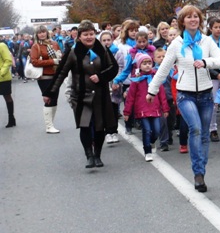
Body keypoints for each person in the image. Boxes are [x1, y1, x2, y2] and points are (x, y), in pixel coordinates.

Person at [147, 5, 220, 192]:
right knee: (196, 129)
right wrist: (152, 90)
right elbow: (164, 69)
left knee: (205, 134)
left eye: (196, 16)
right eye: (189, 17)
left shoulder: (206, 41)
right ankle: (197, 173)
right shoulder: (176, 44)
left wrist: (206, 62)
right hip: (185, 94)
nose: (193, 20)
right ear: (182, 21)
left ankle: (201, 170)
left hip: (206, 94)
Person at [46, 20, 119, 168]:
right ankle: (89, 155)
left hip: (100, 96)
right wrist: (50, 93)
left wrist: (101, 76)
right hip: (80, 96)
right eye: (85, 34)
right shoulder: (73, 52)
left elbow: (114, 67)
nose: (89, 37)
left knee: (99, 126)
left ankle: (97, 155)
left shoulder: (102, 50)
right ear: (79, 36)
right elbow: (61, 73)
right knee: (85, 125)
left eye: (91, 34)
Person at [124, 53, 169, 162]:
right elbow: (131, 97)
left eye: (149, 63)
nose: (147, 65)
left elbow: (162, 94)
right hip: (142, 109)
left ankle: (152, 142)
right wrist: (127, 112)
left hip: (155, 108)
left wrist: (165, 108)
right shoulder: (136, 79)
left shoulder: (156, 77)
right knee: (147, 130)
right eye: (144, 64)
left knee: (157, 130)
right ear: (139, 65)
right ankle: (147, 151)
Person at [29, 25, 63, 134]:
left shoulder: (54, 43)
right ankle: (49, 126)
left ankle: (51, 123)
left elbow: (60, 57)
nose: (42, 34)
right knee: (48, 99)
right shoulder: (36, 46)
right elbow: (34, 61)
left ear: (47, 33)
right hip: (44, 77)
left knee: (55, 99)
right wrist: (52, 61)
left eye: (43, 32)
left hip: (55, 75)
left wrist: (59, 57)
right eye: (39, 33)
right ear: (37, 35)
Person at [0, 40, 14, 128]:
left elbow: (8, 60)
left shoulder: (1, 45)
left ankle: (11, 118)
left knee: (7, 97)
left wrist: (1, 72)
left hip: (3, 78)